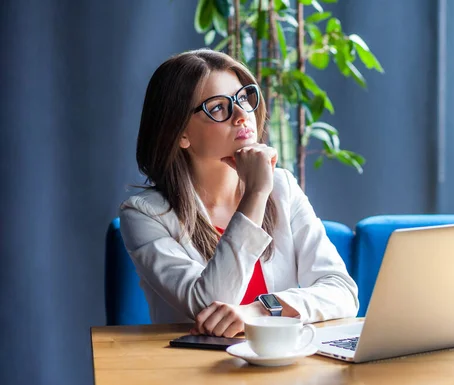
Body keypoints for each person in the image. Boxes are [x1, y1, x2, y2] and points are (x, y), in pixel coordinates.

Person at [119, 49, 358, 338]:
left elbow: (342, 291)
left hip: (281, 365)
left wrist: (260, 311)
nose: (243, 114)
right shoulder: (145, 213)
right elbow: (208, 306)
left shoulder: (281, 186)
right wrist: (255, 194)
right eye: (218, 107)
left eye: (243, 97)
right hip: (194, 372)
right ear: (180, 133)